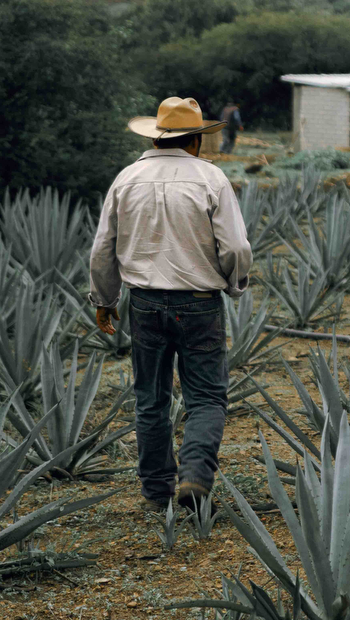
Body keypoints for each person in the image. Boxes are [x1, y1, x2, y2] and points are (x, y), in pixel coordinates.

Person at [89, 96, 253, 512]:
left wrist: (105, 299)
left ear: (159, 137)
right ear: (195, 140)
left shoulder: (127, 178)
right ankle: (195, 476)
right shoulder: (211, 179)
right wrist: (234, 285)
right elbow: (234, 246)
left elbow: (102, 248)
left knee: (151, 398)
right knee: (206, 398)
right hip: (199, 302)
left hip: (143, 303)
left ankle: (156, 491)